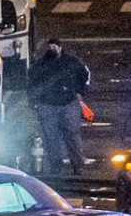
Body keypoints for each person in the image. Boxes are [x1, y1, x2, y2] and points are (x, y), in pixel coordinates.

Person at [27, 38, 92, 173]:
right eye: (51, 47)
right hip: (48, 104)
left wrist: (80, 91)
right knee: (52, 136)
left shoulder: (71, 61)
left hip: (67, 102)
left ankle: (77, 165)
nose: (53, 49)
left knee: (71, 134)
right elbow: (32, 81)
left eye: (55, 46)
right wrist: (34, 100)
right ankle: (56, 166)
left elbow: (84, 75)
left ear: (60, 47)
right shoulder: (41, 64)